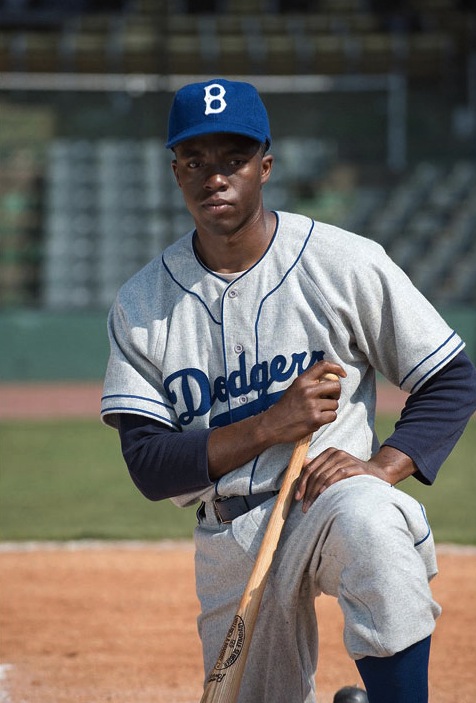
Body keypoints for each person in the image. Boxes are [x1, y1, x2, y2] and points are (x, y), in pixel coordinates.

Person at [101, 78, 476, 703]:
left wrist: (383, 466)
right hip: (231, 532)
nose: (214, 177)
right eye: (195, 161)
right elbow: (148, 465)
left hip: (326, 502)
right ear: (175, 174)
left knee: (373, 524)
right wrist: (269, 426)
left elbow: (451, 376)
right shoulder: (144, 303)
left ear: (265, 167)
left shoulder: (343, 263)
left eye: (233, 160)